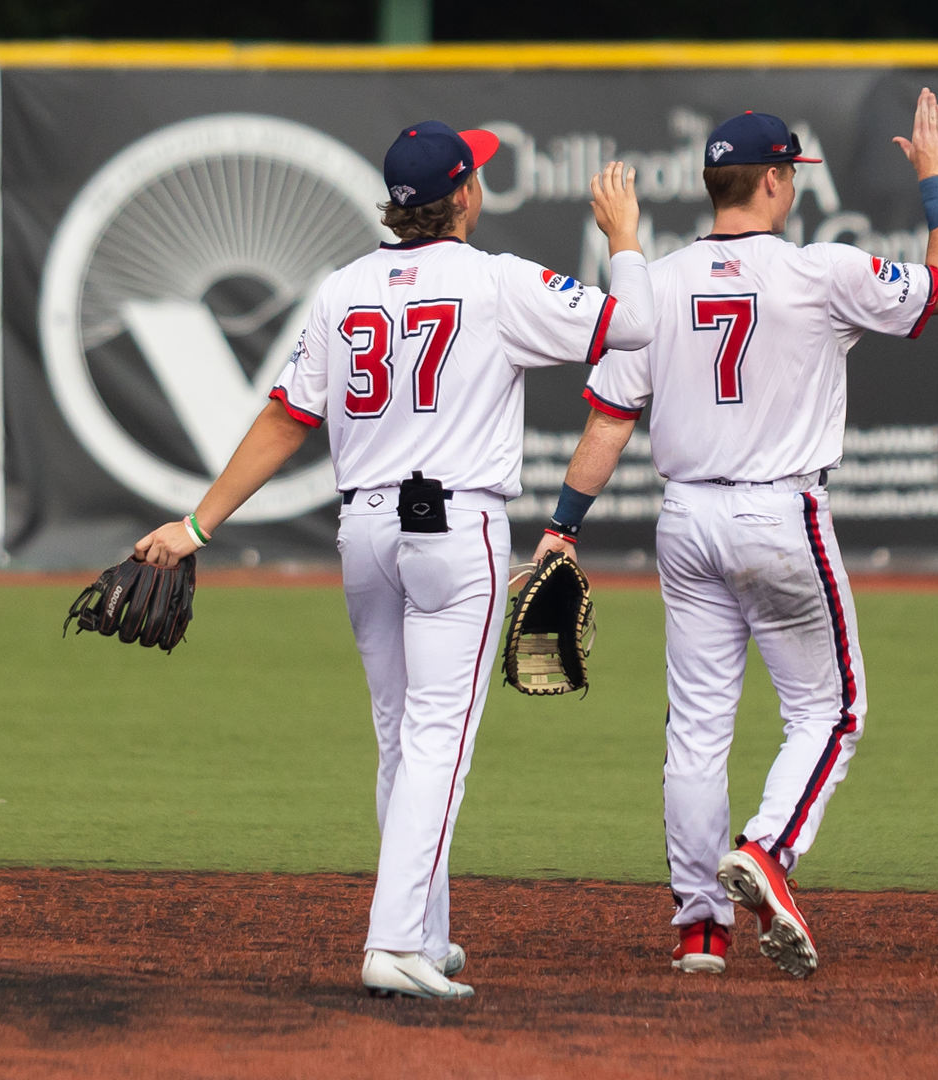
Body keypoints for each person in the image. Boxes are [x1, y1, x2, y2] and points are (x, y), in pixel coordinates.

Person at [133, 121, 656, 999]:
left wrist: (198, 523)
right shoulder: (495, 282)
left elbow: (284, 419)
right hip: (456, 535)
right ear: (461, 198)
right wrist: (624, 238)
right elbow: (633, 324)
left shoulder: (341, 290)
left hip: (366, 535)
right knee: (438, 744)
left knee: (400, 742)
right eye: (476, 176)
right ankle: (389, 944)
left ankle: (422, 933)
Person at [532, 92, 938, 979]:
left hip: (685, 519)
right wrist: (936, 182)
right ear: (775, 180)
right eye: (790, 176)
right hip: (779, 513)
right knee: (830, 710)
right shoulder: (820, 270)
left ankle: (700, 929)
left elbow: (611, 423)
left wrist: (561, 529)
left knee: (697, 728)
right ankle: (768, 849)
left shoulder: (650, 284)